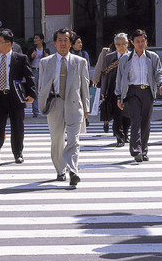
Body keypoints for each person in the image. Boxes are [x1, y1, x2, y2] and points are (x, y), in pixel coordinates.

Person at [37, 28, 90, 185]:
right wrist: (42, 103)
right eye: (59, 40)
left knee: (74, 140)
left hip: (74, 104)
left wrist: (86, 107)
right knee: (57, 140)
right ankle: (60, 170)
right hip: (55, 103)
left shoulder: (80, 62)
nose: (62, 43)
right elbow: (42, 86)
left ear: (71, 43)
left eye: (66, 40)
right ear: (54, 43)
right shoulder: (45, 62)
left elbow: (85, 86)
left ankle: (73, 171)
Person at [0, 29, 36, 166]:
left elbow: (29, 77)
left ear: (9, 44)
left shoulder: (20, 58)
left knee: (17, 126)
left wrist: (32, 94)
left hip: (15, 96)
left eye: (0, 42)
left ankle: (18, 153)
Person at [115, 29, 162, 162]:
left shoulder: (152, 57)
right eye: (137, 41)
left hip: (148, 92)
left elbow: (159, 72)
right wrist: (119, 96)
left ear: (146, 41)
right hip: (132, 92)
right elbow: (120, 78)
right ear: (132, 42)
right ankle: (136, 150)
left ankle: (144, 150)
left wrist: (161, 84)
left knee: (146, 122)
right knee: (136, 121)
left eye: (142, 41)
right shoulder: (126, 59)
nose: (140, 44)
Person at [94, 34, 131, 146]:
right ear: (115, 45)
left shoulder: (132, 56)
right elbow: (104, 75)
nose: (121, 47)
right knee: (117, 114)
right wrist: (103, 91)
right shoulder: (109, 57)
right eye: (118, 44)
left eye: (123, 44)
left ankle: (125, 133)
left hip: (128, 89)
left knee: (127, 114)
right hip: (113, 89)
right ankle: (119, 137)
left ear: (127, 44)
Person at [30, 33, 46, 116]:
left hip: (43, 71)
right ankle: (35, 111)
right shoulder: (32, 49)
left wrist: (47, 57)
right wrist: (31, 56)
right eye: (34, 38)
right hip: (34, 70)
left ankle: (44, 109)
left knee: (44, 90)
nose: (35, 40)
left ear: (41, 40)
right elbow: (27, 60)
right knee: (34, 90)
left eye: (37, 38)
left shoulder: (46, 49)